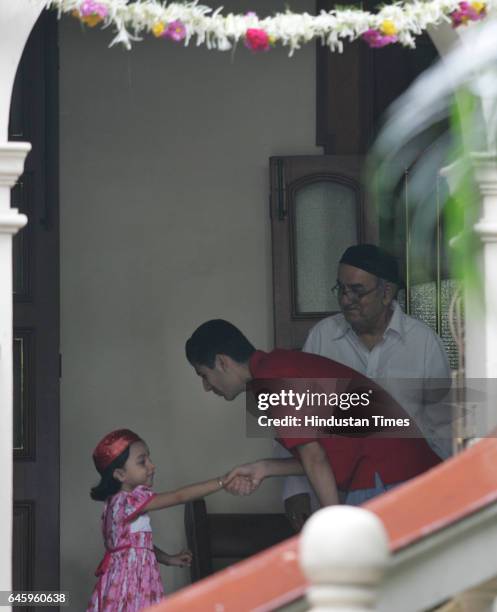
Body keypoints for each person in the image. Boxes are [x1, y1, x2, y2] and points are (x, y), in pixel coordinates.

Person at [185, 319, 442, 508]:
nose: (207, 387)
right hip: (403, 472)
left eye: (204, 376)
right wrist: (263, 468)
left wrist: (332, 524)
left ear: (222, 362)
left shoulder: (273, 378)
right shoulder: (277, 368)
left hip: (387, 477)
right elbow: (320, 453)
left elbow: (314, 458)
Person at [279, 244, 452, 509]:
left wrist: (443, 492)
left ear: (387, 292)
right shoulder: (322, 339)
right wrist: (295, 491)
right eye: (341, 289)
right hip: (337, 495)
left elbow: (442, 430)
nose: (346, 299)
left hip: (410, 492)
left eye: (357, 291)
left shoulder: (424, 344)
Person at [86, 428, 240, 611]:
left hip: (124, 582)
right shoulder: (128, 501)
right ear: (120, 474)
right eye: (142, 462)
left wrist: (168, 559)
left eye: (149, 459)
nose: (152, 466)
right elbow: (178, 496)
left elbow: (136, 544)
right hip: (130, 587)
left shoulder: (115, 503)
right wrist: (222, 481)